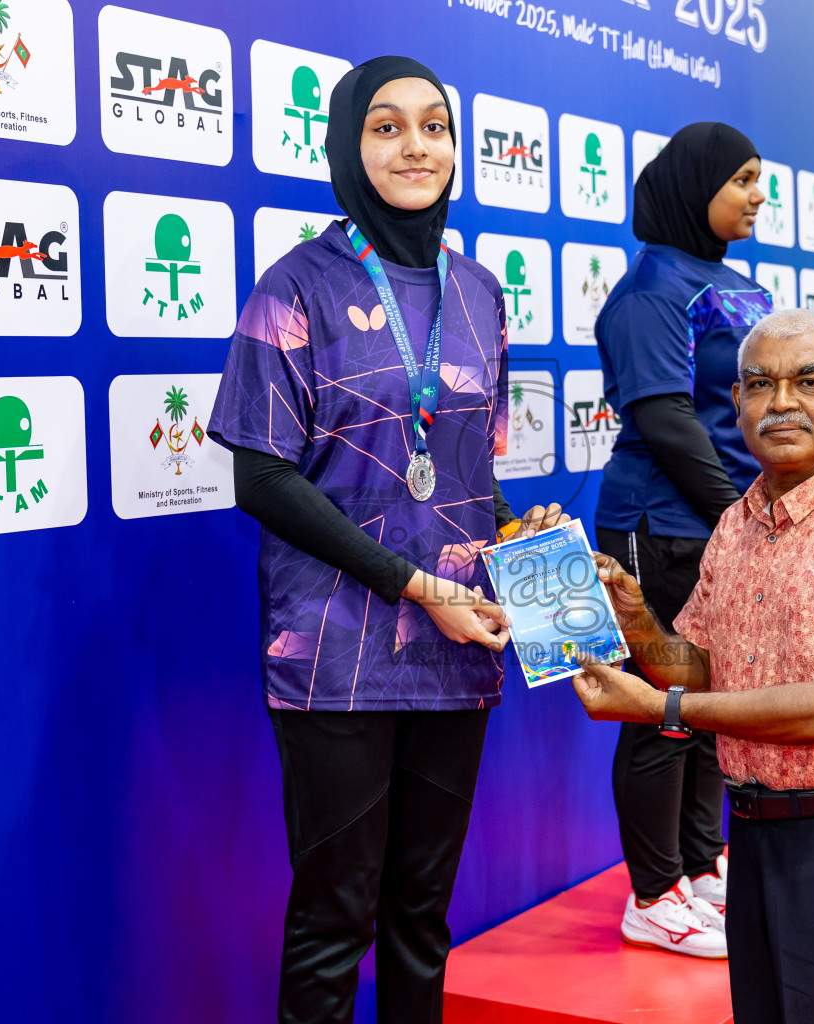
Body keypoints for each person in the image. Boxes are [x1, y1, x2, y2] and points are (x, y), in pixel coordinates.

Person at [209, 56, 565, 1024]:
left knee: (422, 912)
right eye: (387, 126)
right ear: (346, 145)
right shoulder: (296, 287)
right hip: (333, 659)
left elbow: (468, 472)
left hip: (458, 656)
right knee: (334, 918)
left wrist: (517, 542)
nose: (418, 146)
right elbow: (262, 476)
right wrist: (416, 587)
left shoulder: (483, 292)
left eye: (435, 126)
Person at [573, 309, 814, 1023]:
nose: (780, 403)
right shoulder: (740, 520)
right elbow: (699, 670)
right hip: (753, 832)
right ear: (737, 403)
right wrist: (633, 617)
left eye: (809, 382)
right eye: (759, 385)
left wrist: (662, 713)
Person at [589, 120, 774, 956]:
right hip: (657, 528)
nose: (757, 194)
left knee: (708, 709)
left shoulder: (738, 284)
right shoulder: (651, 292)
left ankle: (702, 866)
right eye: (741, 179)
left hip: (728, 524)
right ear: (695, 184)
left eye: (758, 179)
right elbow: (665, 419)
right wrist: (744, 513)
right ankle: (653, 893)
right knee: (659, 710)